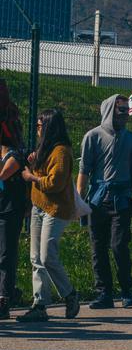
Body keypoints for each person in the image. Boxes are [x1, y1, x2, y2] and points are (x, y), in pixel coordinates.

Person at [77, 95, 132, 309]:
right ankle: (104, 293)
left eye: (127, 110)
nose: (126, 114)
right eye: (121, 110)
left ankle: (126, 290)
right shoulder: (92, 136)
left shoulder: (131, 138)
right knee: (98, 248)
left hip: (122, 200)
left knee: (119, 246)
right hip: (97, 200)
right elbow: (84, 170)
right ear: (109, 111)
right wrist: (79, 200)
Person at [17, 109, 79, 322]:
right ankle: (39, 304)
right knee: (35, 257)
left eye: (40, 125)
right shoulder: (45, 148)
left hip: (56, 209)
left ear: (50, 127)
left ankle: (69, 294)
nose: (37, 129)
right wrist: (34, 161)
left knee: (47, 256)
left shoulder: (61, 151)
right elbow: (44, 173)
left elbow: (54, 183)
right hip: (38, 206)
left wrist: (30, 176)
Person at [0, 93, 25, 320]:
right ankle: (9, 292)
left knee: (6, 255)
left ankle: (5, 299)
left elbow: (3, 175)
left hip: (9, 210)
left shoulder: (15, 154)